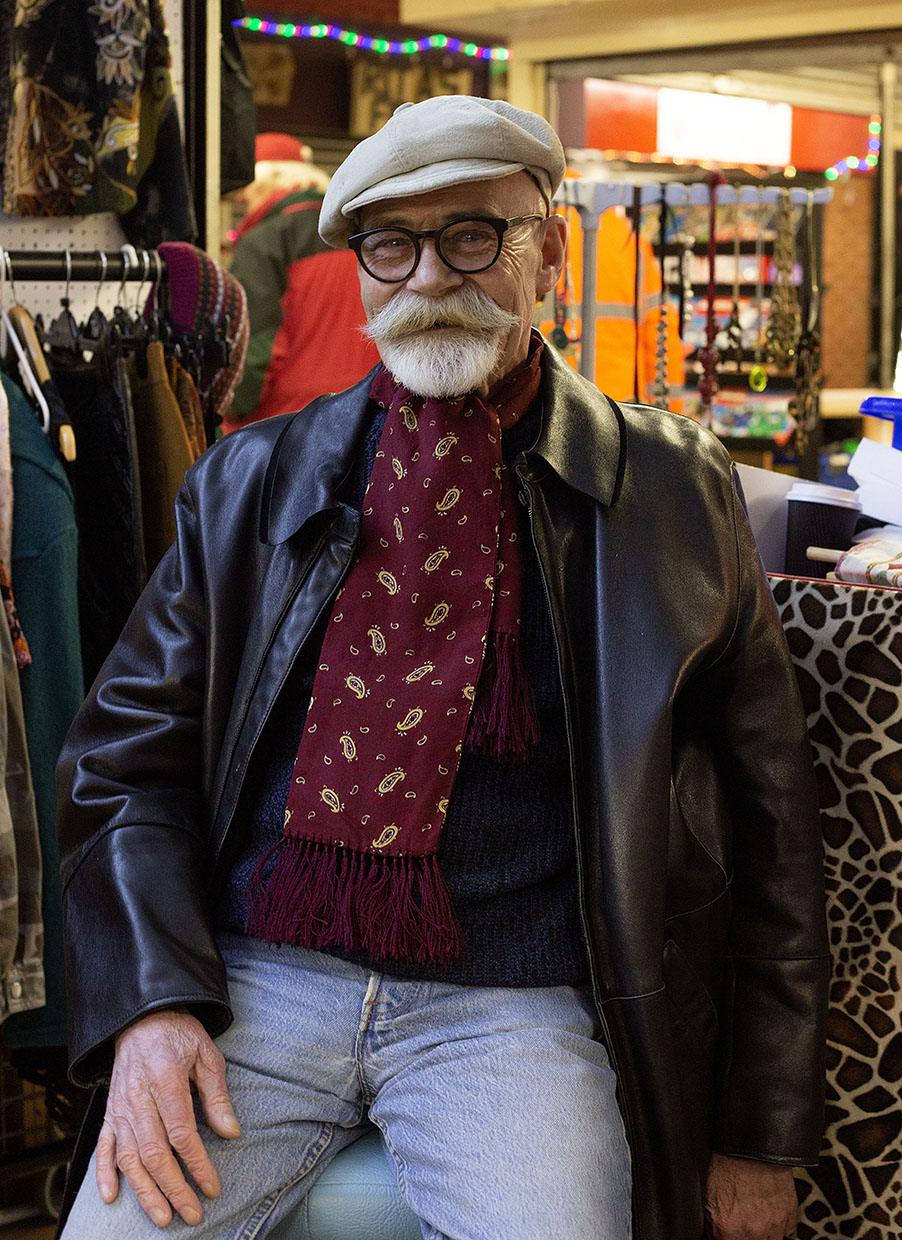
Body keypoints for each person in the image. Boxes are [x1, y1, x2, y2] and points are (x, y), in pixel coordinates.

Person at [56, 96, 829, 1240]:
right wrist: (152, 1004)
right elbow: (122, 763)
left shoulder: (670, 493)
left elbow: (772, 827)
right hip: (256, 987)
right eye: (389, 244)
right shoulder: (250, 483)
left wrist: (759, 1133)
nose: (428, 277)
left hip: (517, 1008)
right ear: (358, 265)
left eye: (473, 236)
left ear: (548, 250)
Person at [221, 131, 379, 434]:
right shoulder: (360, 233)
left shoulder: (264, 242)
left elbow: (256, 349)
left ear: (272, 181)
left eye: (250, 189)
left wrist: (230, 404)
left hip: (286, 426)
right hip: (365, 410)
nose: (243, 199)